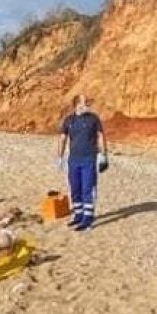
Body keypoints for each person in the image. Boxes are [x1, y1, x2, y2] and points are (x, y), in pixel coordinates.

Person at [57, 93, 108, 230]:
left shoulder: (93, 119)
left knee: (87, 189)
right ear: (76, 104)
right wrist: (60, 157)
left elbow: (100, 136)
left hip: (89, 159)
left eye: (87, 102)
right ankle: (78, 215)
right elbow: (62, 139)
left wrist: (103, 155)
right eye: (84, 102)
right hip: (73, 160)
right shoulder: (69, 120)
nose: (87, 105)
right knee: (75, 189)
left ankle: (88, 219)